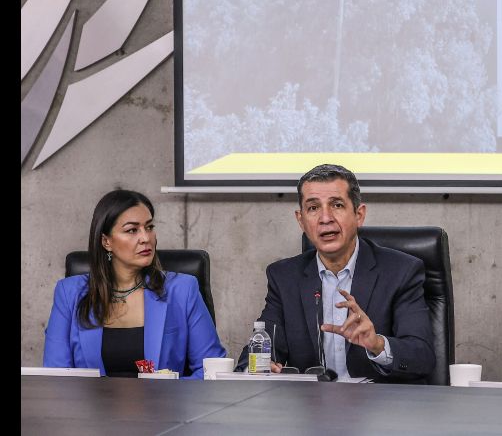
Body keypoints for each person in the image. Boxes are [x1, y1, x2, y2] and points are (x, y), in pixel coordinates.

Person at [235, 164, 435, 382]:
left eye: (337, 205)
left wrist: (377, 344)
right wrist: (256, 369)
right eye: (313, 208)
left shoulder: (400, 272)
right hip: (308, 410)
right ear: (301, 220)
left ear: (359, 215)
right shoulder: (284, 278)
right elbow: (262, 344)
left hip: (379, 410)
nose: (325, 218)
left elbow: (422, 357)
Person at [44, 189, 226, 378]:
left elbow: (211, 372)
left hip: (164, 405)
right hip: (91, 407)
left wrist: (172, 397)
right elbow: (57, 376)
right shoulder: (69, 293)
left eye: (149, 227)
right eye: (132, 230)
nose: (146, 238)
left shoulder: (182, 289)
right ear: (106, 242)